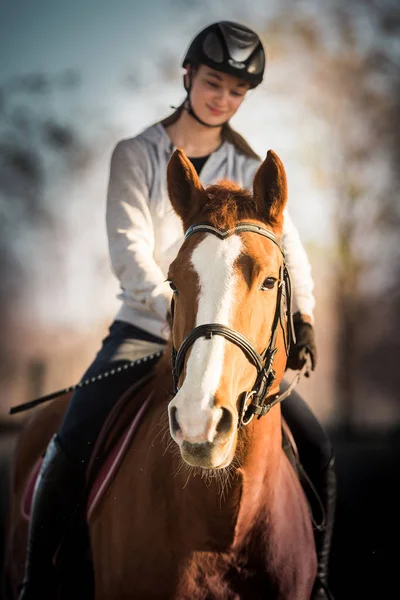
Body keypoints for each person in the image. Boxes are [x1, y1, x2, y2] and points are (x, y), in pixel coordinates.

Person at [19, 21, 335, 600]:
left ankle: (317, 583)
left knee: (314, 443)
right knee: (70, 438)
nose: (223, 99)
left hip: (233, 337)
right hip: (147, 329)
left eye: (237, 92)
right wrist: (187, 310)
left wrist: (303, 317)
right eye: (214, 82)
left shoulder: (247, 165)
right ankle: (38, 582)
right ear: (188, 75)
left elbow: (288, 249)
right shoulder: (137, 155)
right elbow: (130, 252)